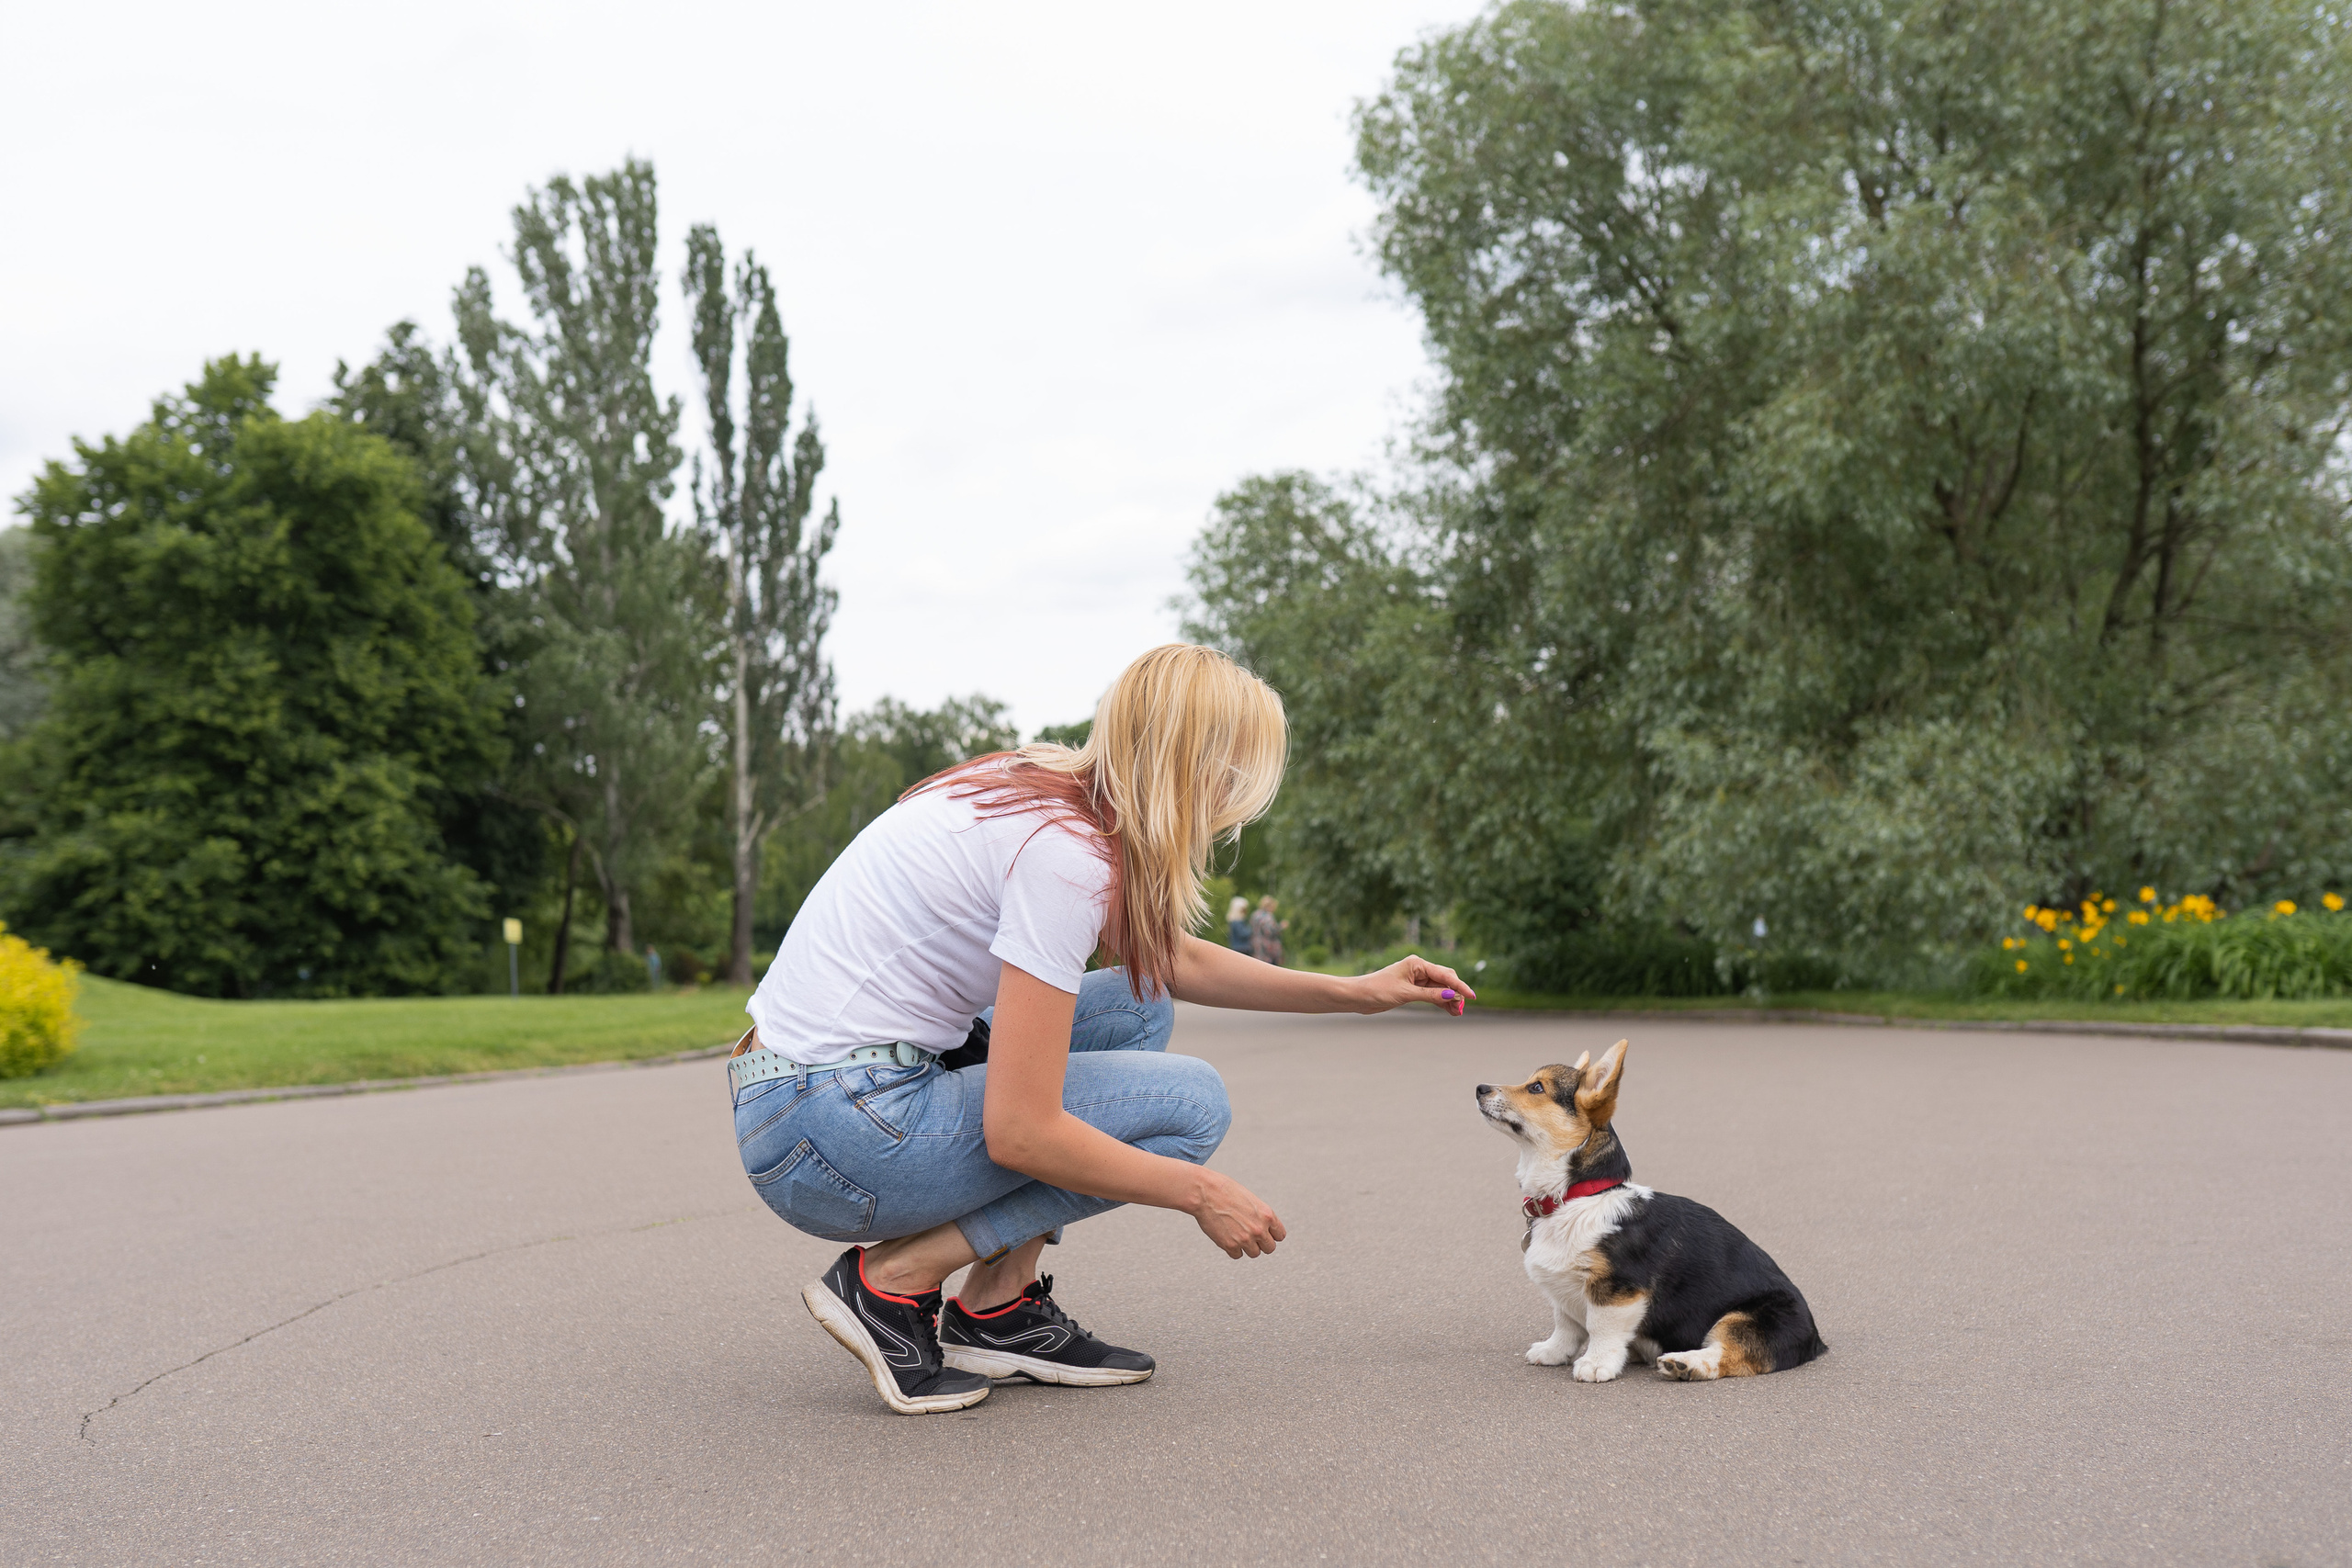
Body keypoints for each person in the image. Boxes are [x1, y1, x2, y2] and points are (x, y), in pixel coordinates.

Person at [729, 644, 1476, 1415]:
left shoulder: (1041, 789)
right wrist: (1200, 1190)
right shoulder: (1065, 856)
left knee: (1137, 1006)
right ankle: (892, 1282)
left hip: (805, 1098)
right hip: (831, 1134)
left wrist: (1358, 991)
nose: (1233, 804)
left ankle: (998, 1304)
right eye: (1234, 776)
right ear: (1195, 766)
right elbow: (1021, 1130)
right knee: (1192, 1106)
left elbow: (1168, 958)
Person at [1250, 895, 1285, 966]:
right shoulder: (1268, 916)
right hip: (1268, 946)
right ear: (1269, 906)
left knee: (1259, 966)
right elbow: (1270, 932)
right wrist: (1281, 927)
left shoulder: (1255, 915)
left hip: (1256, 944)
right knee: (1270, 967)